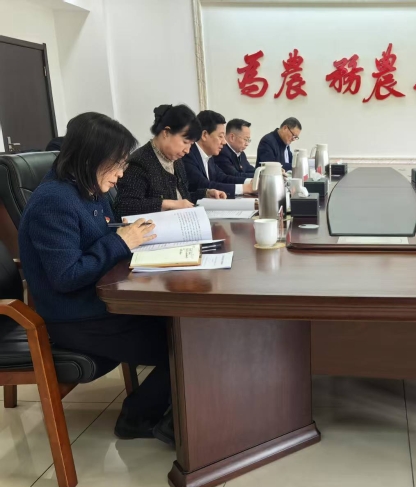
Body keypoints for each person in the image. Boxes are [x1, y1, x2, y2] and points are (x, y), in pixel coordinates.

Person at [18, 112, 174, 444]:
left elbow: (101, 235)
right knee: (182, 346)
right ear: (90, 157)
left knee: (183, 327)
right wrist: (121, 242)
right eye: (117, 164)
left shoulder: (87, 188)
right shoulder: (53, 202)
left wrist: (135, 236)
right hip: (75, 316)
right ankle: (136, 418)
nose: (121, 174)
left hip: (100, 301)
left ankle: (176, 410)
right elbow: (66, 276)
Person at [114, 104, 225, 218]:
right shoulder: (140, 162)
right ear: (166, 132)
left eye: (191, 144)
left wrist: (205, 194)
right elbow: (124, 206)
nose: (187, 150)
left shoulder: (176, 160)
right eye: (185, 142)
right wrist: (167, 204)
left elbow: (181, 198)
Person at [182, 110, 252, 196]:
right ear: (204, 135)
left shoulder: (209, 156)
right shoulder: (188, 154)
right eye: (220, 136)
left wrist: (250, 182)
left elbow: (222, 178)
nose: (224, 142)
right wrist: (244, 188)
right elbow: (203, 185)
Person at [214, 118, 255, 184]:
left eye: (248, 140)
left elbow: (248, 169)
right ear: (232, 137)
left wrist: (262, 173)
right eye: (245, 139)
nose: (247, 144)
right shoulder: (221, 152)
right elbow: (234, 175)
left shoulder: (241, 153)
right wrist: (259, 176)